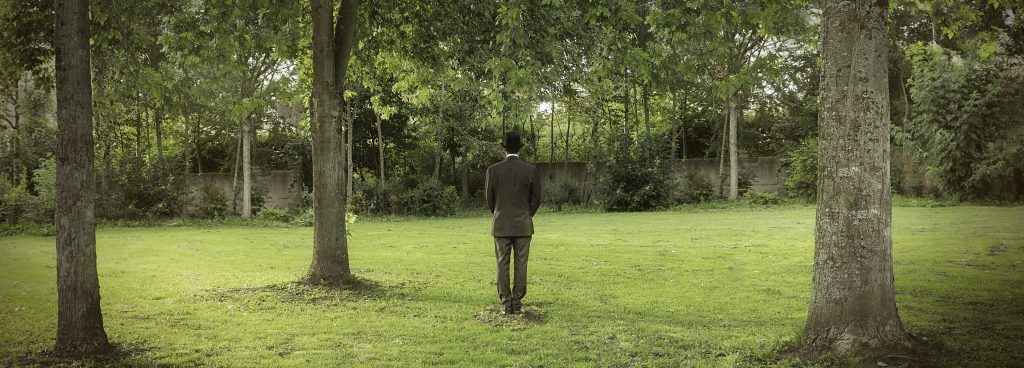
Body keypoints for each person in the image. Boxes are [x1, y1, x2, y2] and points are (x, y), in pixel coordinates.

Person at [485, 131, 542, 315]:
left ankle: (506, 302)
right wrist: (526, 214)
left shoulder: (493, 170)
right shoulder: (530, 169)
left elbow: (490, 200)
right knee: (521, 263)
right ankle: (517, 302)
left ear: (504, 149)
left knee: (502, 263)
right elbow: (536, 199)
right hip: (523, 225)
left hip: (501, 224)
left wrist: (500, 213)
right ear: (519, 148)